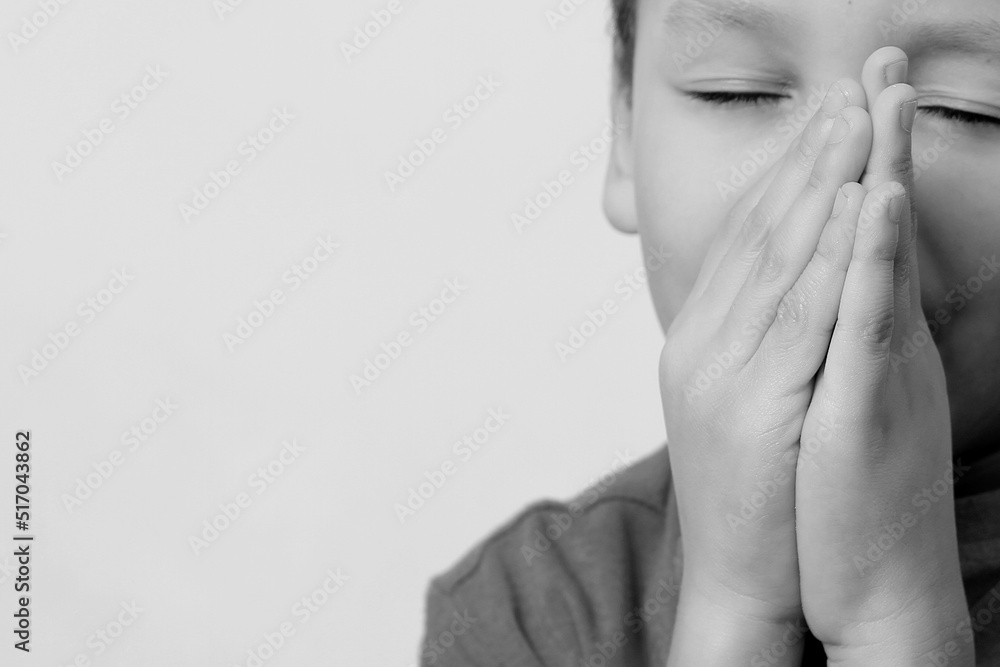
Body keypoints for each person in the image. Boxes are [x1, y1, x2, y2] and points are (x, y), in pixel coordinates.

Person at [419, 0, 1000, 664]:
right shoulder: (533, 611)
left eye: (967, 108)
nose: (847, 176)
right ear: (623, 133)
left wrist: (891, 620)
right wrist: (737, 609)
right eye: (735, 93)